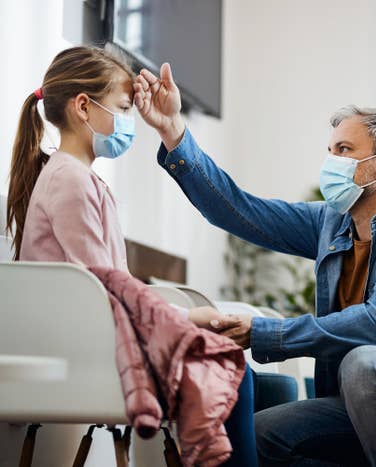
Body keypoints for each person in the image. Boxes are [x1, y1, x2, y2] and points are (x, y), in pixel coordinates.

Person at [133, 63, 376, 466]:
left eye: (344, 151)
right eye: (330, 151)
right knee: (262, 437)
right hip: (361, 405)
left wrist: (264, 333)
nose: (331, 161)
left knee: (366, 362)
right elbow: (240, 211)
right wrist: (173, 133)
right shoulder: (333, 221)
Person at [5, 46, 256, 467]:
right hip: (89, 350)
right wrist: (187, 318)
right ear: (84, 106)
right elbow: (104, 291)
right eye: (123, 108)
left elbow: (111, 288)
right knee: (234, 369)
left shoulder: (75, 178)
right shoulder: (71, 181)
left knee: (264, 386)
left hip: (95, 338)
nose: (127, 122)